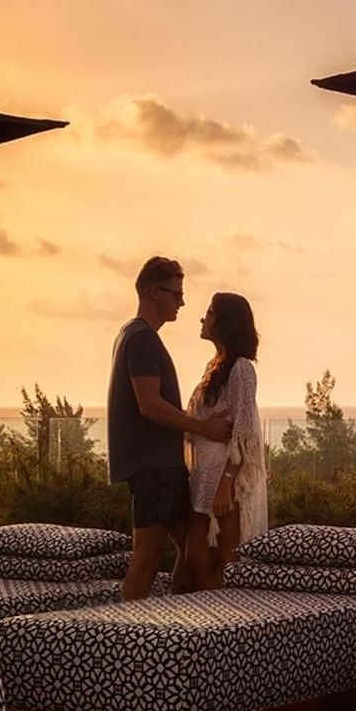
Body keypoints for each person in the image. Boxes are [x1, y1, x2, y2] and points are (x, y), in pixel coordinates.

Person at [107, 256, 230, 600]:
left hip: (165, 467)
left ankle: (178, 621)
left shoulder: (134, 336)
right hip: (153, 467)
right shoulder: (141, 339)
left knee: (192, 553)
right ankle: (125, 639)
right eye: (175, 294)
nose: (182, 302)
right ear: (151, 291)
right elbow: (149, 404)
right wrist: (202, 427)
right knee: (145, 561)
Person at [185, 293, 266, 590]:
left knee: (226, 561)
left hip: (223, 478)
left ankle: (226, 626)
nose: (203, 318)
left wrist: (227, 483)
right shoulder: (215, 365)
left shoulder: (241, 368)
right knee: (198, 558)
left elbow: (245, 433)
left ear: (225, 321)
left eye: (209, 312)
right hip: (205, 477)